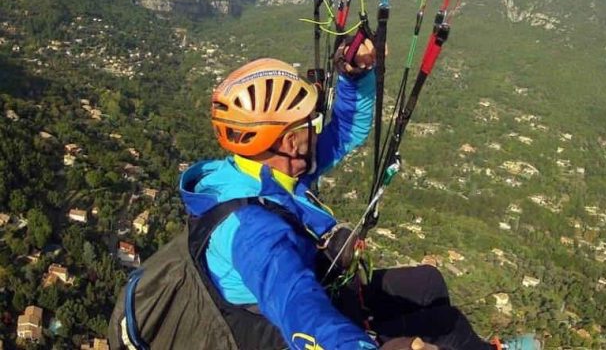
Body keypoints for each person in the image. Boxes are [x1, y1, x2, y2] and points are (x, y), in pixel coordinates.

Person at [179, 41, 541, 350]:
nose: (317, 129)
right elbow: (298, 304)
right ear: (290, 141)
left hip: (328, 287)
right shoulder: (254, 229)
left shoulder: (267, 169)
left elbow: (347, 131)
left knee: (430, 282)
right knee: (447, 324)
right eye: (311, 122)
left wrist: (355, 76)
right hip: (291, 329)